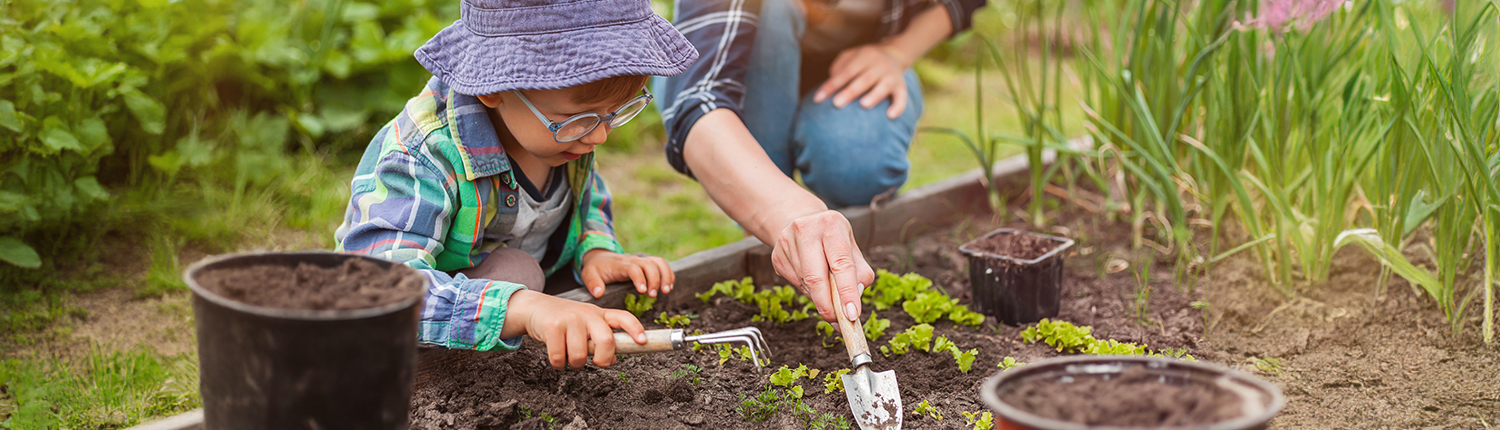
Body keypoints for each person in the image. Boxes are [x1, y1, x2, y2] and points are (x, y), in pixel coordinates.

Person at [334, 0, 698, 370]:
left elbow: (584, 196)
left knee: (531, 277)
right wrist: (522, 306)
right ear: (495, 88)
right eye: (580, 119)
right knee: (517, 272)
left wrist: (596, 251)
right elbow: (379, 287)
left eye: (615, 113)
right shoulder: (422, 156)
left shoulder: (563, 137)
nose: (600, 136)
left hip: (524, 283)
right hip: (419, 326)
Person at [654, 0, 984, 323]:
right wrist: (790, 212)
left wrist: (898, 52)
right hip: (749, 65)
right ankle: (763, 242)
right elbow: (698, 99)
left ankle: (834, 251)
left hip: (852, 64)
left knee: (854, 168)